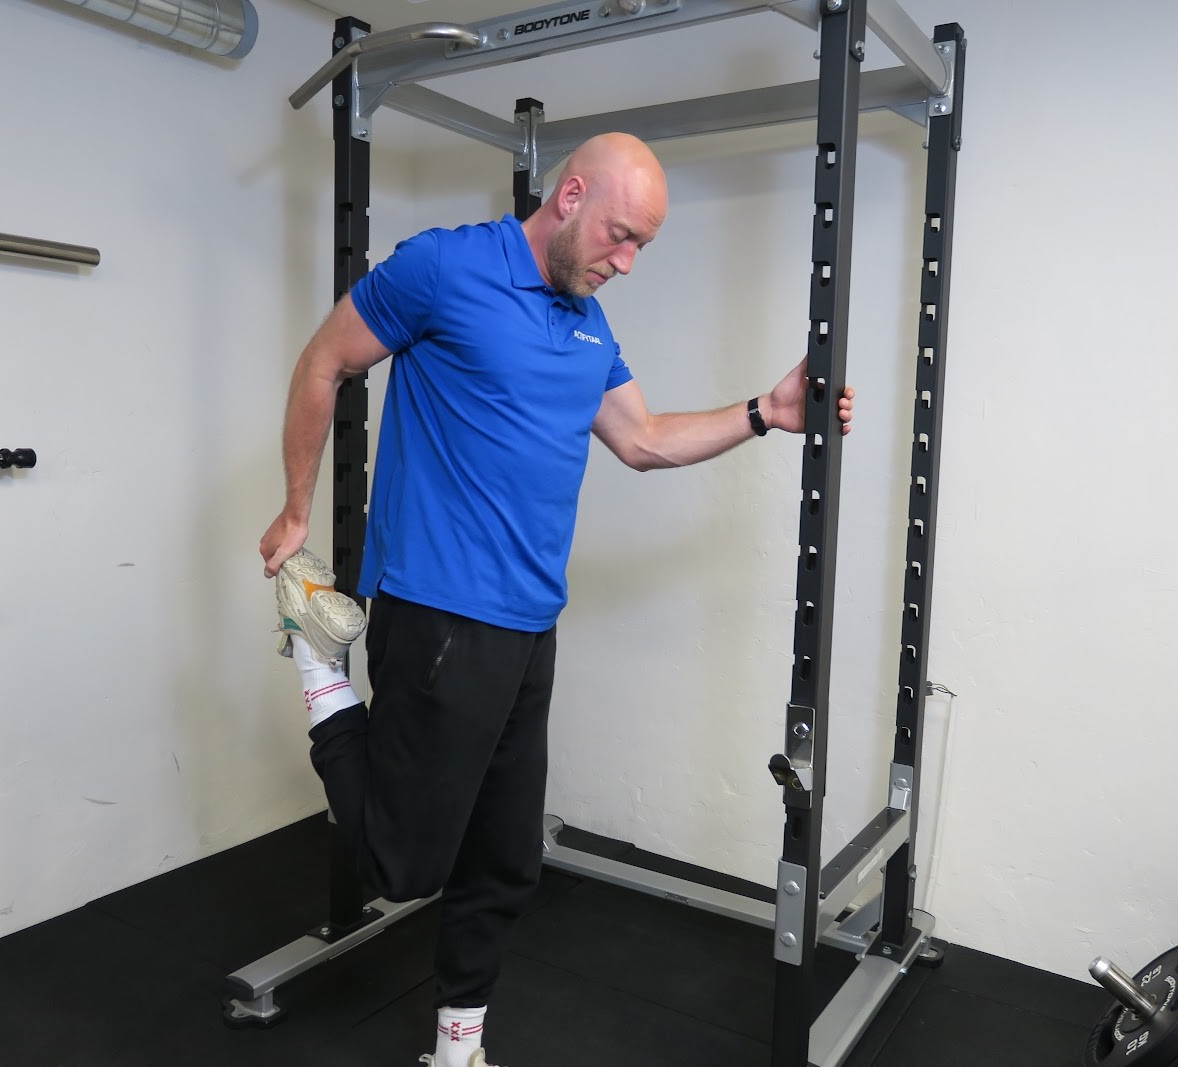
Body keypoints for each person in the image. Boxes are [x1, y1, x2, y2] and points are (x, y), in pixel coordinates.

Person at [259, 132, 855, 1067]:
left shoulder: (587, 323)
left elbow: (646, 438)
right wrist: (297, 508)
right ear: (570, 195)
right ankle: (319, 664)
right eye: (620, 236)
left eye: (642, 248)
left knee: (506, 860)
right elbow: (324, 363)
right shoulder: (444, 268)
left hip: (532, 625)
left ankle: (456, 1050)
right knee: (404, 866)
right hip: (440, 610)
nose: (625, 262)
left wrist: (763, 414)